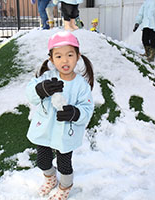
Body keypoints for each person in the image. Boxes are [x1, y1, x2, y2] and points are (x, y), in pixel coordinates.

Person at [25, 31, 94, 200]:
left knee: (64, 165)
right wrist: (40, 89)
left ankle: (65, 186)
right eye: (59, 56)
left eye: (70, 55)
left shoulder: (81, 85)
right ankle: (50, 178)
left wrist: (75, 113)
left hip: (65, 134)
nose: (65, 60)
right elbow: (30, 93)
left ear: (78, 56)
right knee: (42, 161)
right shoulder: (47, 77)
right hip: (45, 131)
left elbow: (87, 108)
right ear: (51, 59)